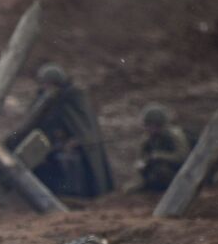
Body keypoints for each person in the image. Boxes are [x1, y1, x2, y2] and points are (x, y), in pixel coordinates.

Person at [24, 63, 114, 198]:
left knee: (69, 160)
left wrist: (74, 141)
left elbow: (83, 129)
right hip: (52, 145)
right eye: (43, 84)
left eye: (49, 85)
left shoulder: (73, 97)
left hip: (75, 148)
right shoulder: (43, 100)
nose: (45, 88)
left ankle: (73, 195)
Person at [133, 104, 191, 192]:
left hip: (179, 171)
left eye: (155, 126)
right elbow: (139, 161)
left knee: (162, 171)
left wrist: (159, 156)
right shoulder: (146, 139)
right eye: (148, 125)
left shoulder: (175, 136)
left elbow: (183, 157)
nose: (151, 129)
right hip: (158, 172)